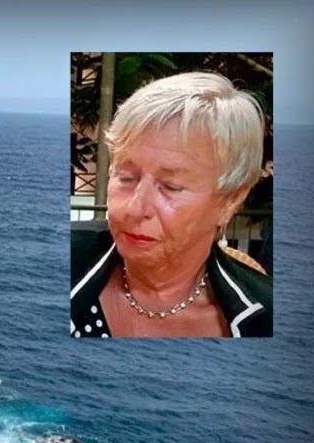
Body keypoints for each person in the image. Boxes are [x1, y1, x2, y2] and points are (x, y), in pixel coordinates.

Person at [71, 72, 272, 338]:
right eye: (126, 177)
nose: (135, 208)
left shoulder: (265, 319)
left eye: (171, 187)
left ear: (230, 199)